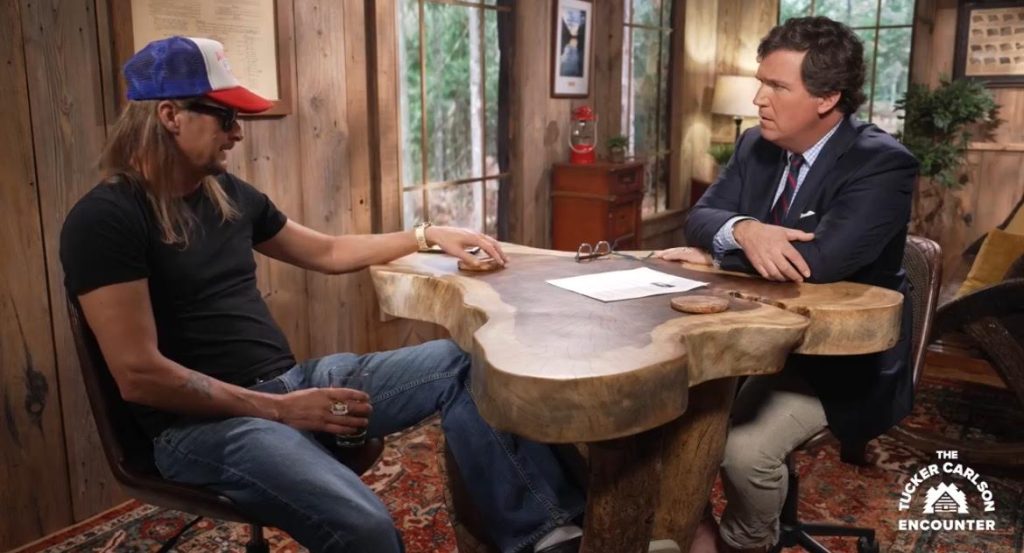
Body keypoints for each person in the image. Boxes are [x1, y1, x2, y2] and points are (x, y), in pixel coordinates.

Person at [60, 36, 588, 553]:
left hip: (290, 384)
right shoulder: (106, 220)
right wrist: (281, 411)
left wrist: (428, 234)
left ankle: (545, 534)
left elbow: (329, 251)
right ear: (170, 115)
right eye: (225, 117)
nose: (237, 133)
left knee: (464, 364)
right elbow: (139, 376)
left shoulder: (227, 196)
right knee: (366, 525)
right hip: (201, 428)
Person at [655, 17, 918, 553]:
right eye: (761, 82)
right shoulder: (755, 144)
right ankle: (691, 526)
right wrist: (744, 230)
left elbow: (817, 262)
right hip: (749, 331)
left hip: (837, 359)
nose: (758, 98)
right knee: (659, 417)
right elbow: (699, 216)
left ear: (828, 98)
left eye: (777, 86)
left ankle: (747, 540)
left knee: (742, 452)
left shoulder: (883, 164)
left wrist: (719, 253)